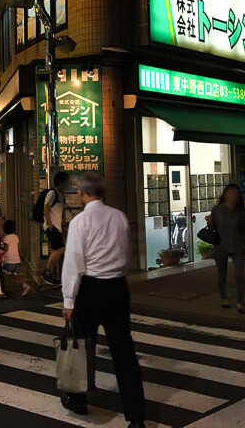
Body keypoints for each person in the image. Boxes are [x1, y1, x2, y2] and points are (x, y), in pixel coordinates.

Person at [61, 172, 145, 428]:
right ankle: (136, 414)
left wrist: (68, 300)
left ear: (82, 193)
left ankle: (78, 399)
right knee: (123, 350)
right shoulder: (119, 217)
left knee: (83, 346)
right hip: (117, 287)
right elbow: (126, 250)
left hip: (91, 289)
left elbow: (73, 262)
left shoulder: (80, 222)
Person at [210, 184, 245, 314]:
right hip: (221, 246)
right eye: (231, 193)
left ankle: (240, 302)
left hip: (238, 246)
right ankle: (224, 298)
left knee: (239, 275)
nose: (233, 196)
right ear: (226, 194)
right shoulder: (217, 209)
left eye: (235, 194)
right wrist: (209, 222)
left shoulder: (240, 212)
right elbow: (212, 228)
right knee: (222, 274)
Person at [43, 172, 71, 284]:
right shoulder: (52, 193)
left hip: (58, 227)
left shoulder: (61, 195)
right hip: (52, 226)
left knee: (56, 249)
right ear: (61, 182)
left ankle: (49, 274)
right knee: (61, 249)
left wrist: (63, 226)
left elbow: (63, 212)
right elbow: (46, 207)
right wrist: (50, 224)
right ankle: (47, 271)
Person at [2, 220, 32, 296]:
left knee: (3, 273)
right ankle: (25, 285)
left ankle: (2, 289)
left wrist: (0, 248)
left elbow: (6, 249)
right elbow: (18, 247)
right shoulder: (16, 237)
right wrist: (20, 256)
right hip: (16, 259)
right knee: (16, 275)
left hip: (9, 260)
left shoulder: (6, 238)